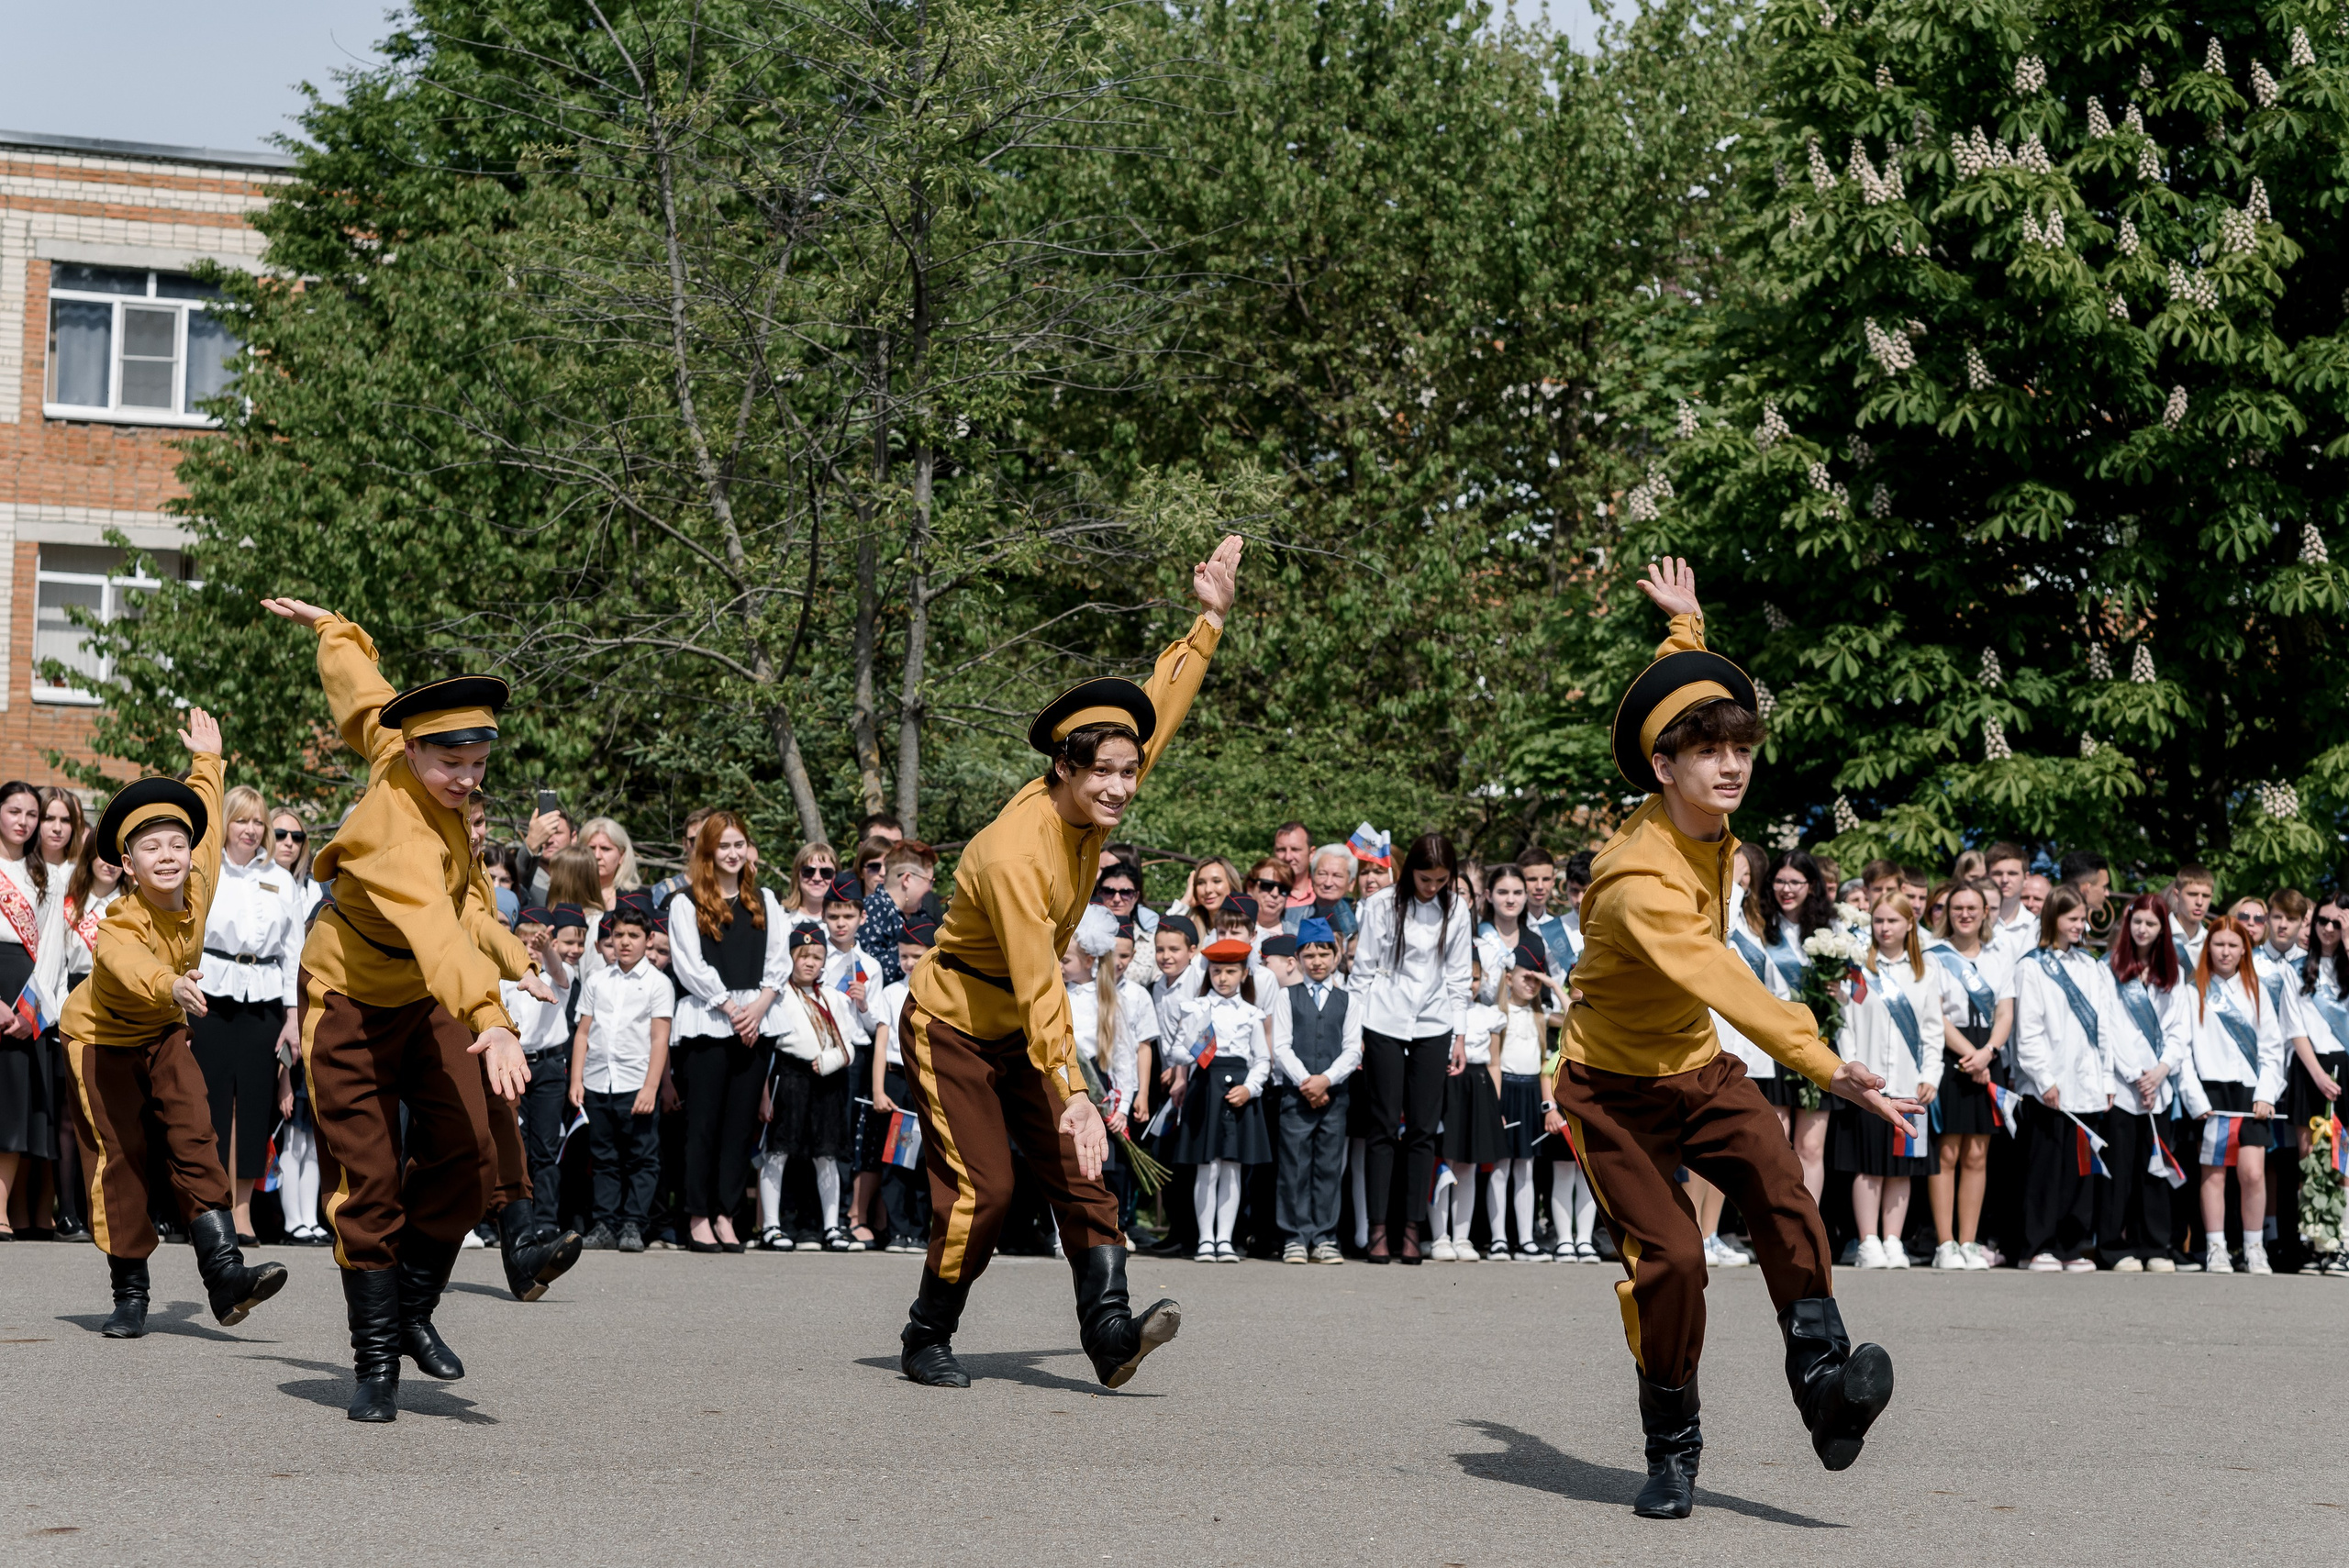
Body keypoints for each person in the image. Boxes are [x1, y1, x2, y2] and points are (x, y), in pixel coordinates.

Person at [1554, 558, 1911, 1520]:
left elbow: (1685, 697)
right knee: (1673, 1256)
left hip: (1698, 1070)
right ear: (1660, 765)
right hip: (1609, 1089)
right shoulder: (1636, 879)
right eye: (1706, 750)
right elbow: (1720, 978)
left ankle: (1825, 1385)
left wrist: (1686, 624)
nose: (1731, 763)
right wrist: (1828, 1064)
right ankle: (1671, 1445)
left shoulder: (1708, 818)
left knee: (1783, 1189)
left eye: (1741, 746)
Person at [895, 533, 1238, 1392]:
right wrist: (1075, 1090)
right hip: (956, 1024)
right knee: (990, 1188)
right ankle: (926, 1331)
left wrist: (1206, 623)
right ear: (1063, 768)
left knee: (1087, 1171)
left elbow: (1161, 707)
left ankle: (1110, 1330)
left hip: (1026, 1025)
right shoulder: (1018, 854)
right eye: (1107, 773)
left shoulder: (1098, 787)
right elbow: (1039, 980)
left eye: (1131, 771)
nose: (1124, 786)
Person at [261, 595, 558, 1421]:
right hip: (349, 998)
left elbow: (362, 694)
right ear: (418, 750)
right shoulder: (394, 830)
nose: (466, 779)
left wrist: (335, 631)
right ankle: (376, 1361)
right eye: (450, 762)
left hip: (423, 993)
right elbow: (435, 926)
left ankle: (416, 1304)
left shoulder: (400, 746)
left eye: (478, 763)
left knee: (466, 1157)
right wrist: (490, 1017)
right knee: (371, 1181)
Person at [56, 712, 288, 1339]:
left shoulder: (199, 876)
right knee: (121, 1158)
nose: (169, 855)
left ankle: (225, 1277)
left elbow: (208, 814)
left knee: (196, 1136)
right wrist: (173, 983)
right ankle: (130, 1291)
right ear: (127, 864)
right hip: (100, 1039)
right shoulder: (118, 919)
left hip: (162, 1030)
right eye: (151, 847)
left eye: (176, 844)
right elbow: (125, 963)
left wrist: (209, 760)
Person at [665, 811, 789, 1253]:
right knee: (704, 1125)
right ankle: (697, 1215)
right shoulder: (685, 902)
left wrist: (756, 1008)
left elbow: (780, 962)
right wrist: (732, 1008)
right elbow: (689, 965)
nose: (733, 853)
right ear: (708, 852)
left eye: (740, 845)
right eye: (724, 846)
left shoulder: (766, 900)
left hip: (757, 1019)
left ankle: (725, 1214)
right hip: (711, 1020)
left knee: (740, 1126)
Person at [187, 784, 306, 1244]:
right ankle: (208, 1208)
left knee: (254, 1110)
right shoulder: (206, 871)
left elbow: (294, 952)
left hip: (264, 999)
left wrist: (293, 1017)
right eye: (242, 820)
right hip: (210, 994)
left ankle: (241, 1212)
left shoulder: (281, 878)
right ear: (225, 823)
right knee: (211, 1106)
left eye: (259, 822)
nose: (252, 830)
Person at [1351, 833, 1473, 1264]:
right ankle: (1378, 1229)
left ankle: (1412, 1228)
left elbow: (1459, 977)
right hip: (1382, 1018)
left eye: (1441, 880)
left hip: (1435, 1022)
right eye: (1425, 878)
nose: (1432, 887)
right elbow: (1361, 972)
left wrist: (1460, 1036)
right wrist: (1356, 1034)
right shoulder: (1382, 904)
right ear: (1409, 872)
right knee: (1382, 1128)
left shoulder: (1456, 909)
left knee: (1423, 1129)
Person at [1831, 894, 1953, 1270]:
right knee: (1869, 1164)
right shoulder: (1856, 971)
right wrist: (1854, 1071)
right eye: (1878, 921)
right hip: (1869, 1084)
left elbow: (1934, 1031)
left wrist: (1931, 1075)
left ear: (1909, 924)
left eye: (1892, 921)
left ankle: (1894, 1239)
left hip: (1909, 1082)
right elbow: (1846, 1026)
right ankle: (1869, 1240)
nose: (1884, 928)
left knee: (1903, 1166)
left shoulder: (1924, 973)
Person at [2011, 885, 2117, 1273]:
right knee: (2045, 1169)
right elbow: (2029, 1030)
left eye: (2081, 918)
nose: (2079, 925)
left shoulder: (2093, 966)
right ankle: (2036, 1245)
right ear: (2053, 919)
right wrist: (2043, 1078)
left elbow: (2105, 1026)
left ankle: (2073, 1244)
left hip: (2088, 1085)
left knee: (2081, 1170)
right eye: (2071, 918)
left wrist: (2107, 1080)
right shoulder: (2032, 966)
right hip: (2048, 1088)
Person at [2100, 893, 2200, 1272]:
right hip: (2122, 1088)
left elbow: (2179, 1033)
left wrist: (2160, 1071)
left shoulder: (2172, 977)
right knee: (2120, 1169)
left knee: (2155, 1169)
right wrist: (2133, 1075)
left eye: (2151, 923)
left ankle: (2154, 1246)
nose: (2143, 929)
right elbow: (2105, 1027)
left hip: (2158, 1089)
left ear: (2163, 929)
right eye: (2137, 921)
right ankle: (2114, 1246)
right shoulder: (2107, 970)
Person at [568, 904, 672, 1252]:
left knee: (642, 1157)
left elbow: (660, 1038)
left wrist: (651, 1087)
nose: (625, 942)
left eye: (634, 936)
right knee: (604, 1157)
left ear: (648, 939)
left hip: (635, 1084)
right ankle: (606, 1223)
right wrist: (577, 1080)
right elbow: (583, 1033)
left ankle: (633, 1224)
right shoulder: (598, 981)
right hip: (599, 1082)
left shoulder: (658, 983)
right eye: (619, 935)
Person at [2185, 916, 2286, 1273]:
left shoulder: (2256, 990)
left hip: (2251, 1095)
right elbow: (2183, 1052)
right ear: (2207, 947)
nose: (2225, 952)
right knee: (2214, 1174)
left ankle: (2254, 1246)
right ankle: (2216, 1247)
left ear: (2244, 948)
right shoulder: (2192, 991)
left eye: (2232, 945)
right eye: (2218, 944)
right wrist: (2196, 1100)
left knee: (2253, 1173)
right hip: (2212, 1093)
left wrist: (2266, 1094)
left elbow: (2273, 1052)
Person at [1922, 882, 2012, 1270]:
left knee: (1978, 1152)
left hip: (1989, 1055)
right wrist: (1970, 1054)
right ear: (1946, 913)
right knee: (1947, 1151)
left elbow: (2006, 1012)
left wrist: (1988, 1052)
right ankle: (1946, 1244)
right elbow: (1935, 1015)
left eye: (1972, 907)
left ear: (1984, 912)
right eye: (1956, 907)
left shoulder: (1999, 953)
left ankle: (1969, 1242)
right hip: (1951, 1055)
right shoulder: (1933, 956)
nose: (1964, 914)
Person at [1168, 936, 1273, 1262]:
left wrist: (1251, 1088)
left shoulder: (1252, 1013)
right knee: (1207, 1167)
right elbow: (1175, 1051)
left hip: (1238, 1090)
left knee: (1232, 1167)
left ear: (1244, 973)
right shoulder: (1197, 1007)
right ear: (1208, 973)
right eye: (1216, 971)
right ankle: (1205, 1238)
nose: (1223, 978)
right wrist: (1197, 1046)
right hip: (1206, 1088)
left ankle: (1225, 1239)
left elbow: (1262, 1059)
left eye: (1230, 971)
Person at [759, 925, 855, 1251]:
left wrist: (830, 1060)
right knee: (778, 1151)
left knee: (826, 1155)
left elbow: (849, 1044)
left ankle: (831, 1226)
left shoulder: (834, 998)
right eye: (803, 956)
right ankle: (771, 1225)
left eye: (817, 956)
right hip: (789, 1077)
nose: (810, 963)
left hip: (826, 1081)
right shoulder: (778, 996)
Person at [1269, 916, 1358, 1263]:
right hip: (1297, 1095)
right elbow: (1282, 1046)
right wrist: (1308, 1082)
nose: (1317, 961)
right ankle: (1294, 1236)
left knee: (1328, 1167)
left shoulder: (1349, 999)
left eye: (1324, 954)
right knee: (1293, 1166)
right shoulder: (1286, 997)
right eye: (1310, 955)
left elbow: (1352, 1049)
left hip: (1334, 1097)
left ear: (1336, 956)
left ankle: (1325, 1237)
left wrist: (1327, 1080)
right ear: (1298, 960)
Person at [507, 904, 588, 1268]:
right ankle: (512, 1222)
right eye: (524, 940)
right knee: (514, 1146)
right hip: (514, 1062)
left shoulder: (560, 970)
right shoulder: (502, 975)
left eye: (537, 941)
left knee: (545, 1148)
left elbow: (559, 972)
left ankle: (545, 1222)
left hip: (549, 1066)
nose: (531, 947)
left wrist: (549, 950)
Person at [0, 779, 61, 1235]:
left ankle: (0, 1208)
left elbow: (54, 951)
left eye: (31, 814)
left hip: (25, 994)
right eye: (14, 811)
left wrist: (30, 1013)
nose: (23, 822)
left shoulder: (48, 877)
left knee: (14, 1106)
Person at [866, 918, 936, 1252]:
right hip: (896, 1080)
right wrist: (878, 1090)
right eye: (903, 955)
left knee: (925, 1160)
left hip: (927, 1083)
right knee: (897, 1156)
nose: (908, 962)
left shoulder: (940, 993)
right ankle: (897, 1231)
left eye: (915, 955)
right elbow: (881, 1044)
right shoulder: (892, 993)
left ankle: (920, 1232)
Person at [1485, 944, 1553, 1262]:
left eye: (1536, 980)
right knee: (1500, 1167)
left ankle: (1526, 1239)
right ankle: (1499, 1238)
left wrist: (1551, 984)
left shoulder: (1541, 1015)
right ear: (1509, 977)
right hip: (1506, 1090)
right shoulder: (1498, 1013)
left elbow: (1573, 1014)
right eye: (1526, 977)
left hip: (1532, 1093)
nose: (1531, 984)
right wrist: (1495, 1105)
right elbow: (1494, 1062)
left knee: (1526, 1168)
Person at [1984, 843, 2035, 956]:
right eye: (1998, 873)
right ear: (1987, 877)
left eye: (2012, 873)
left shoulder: (2036, 928)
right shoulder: (1973, 923)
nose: (2005, 879)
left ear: (2026, 878)